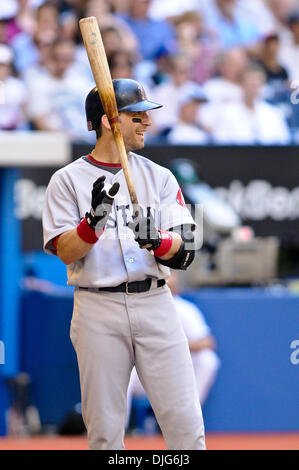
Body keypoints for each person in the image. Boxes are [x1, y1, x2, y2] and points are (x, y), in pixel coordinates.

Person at [42, 78, 205, 450]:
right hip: (97, 304)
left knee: (185, 423)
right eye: (137, 116)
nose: (147, 122)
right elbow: (66, 251)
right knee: (105, 430)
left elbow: (187, 250)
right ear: (108, 121)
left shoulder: (160, 176)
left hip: (156, 302)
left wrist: (158, 240)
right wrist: (92, 222)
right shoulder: (65, 180)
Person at [126, 270, 220, 429]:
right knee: (121, 366)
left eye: (172, 277)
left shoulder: (185, 308)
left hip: (175, 370)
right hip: (144, 370)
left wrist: (174, 345)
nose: (169, 281)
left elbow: (207, 342)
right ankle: (119, 430)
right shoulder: (139, 305)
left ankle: (186, 423)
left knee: (208, 360)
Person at [200, 63, 291, 144]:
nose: (253, 87)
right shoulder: (226, 113)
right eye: (250, 83)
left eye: (257, 83)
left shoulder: (274, 114)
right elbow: (221, 143)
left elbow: (282, 143)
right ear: (241, 84)